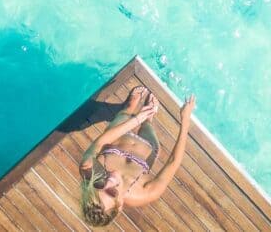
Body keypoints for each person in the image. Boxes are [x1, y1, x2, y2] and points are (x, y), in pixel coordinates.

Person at [79, 85, 196, 227]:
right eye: (111, 192)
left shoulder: (88, 168)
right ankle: (149, 118)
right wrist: (185, 120)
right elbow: (173, 162)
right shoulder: (144, 193)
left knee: (123, 115)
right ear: (120, 205)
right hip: (146, 147)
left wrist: (135, 120)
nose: (109, 181)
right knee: (148, 125)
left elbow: (102, 141)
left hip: (119, 136)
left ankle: (129, 106)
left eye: (100, 185)